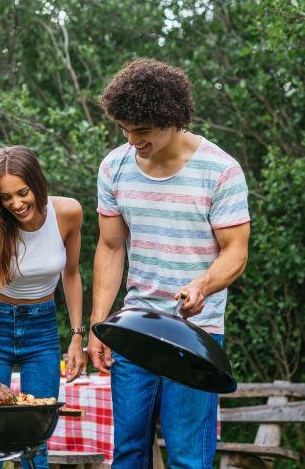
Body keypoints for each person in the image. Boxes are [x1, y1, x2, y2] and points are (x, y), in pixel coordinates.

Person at [87, 58, 250, 468]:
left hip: (196, 335)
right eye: (124, 129)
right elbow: (110, 248)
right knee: (128, 453)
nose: (131, 139)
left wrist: (203, 285)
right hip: (134, 329)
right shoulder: (115, 166)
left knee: (187, 458)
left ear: (173, 119)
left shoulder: (220, 170)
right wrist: (98, 324)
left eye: (141, 131)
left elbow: (235, 252)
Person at [0, 145, 84, 469]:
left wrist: (78, 336)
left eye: (22, 193)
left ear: (37, 183)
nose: (16, 204)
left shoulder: (68, 213)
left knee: (36, 439)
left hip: (42, 330)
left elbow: (72, 274)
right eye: (6, 197)